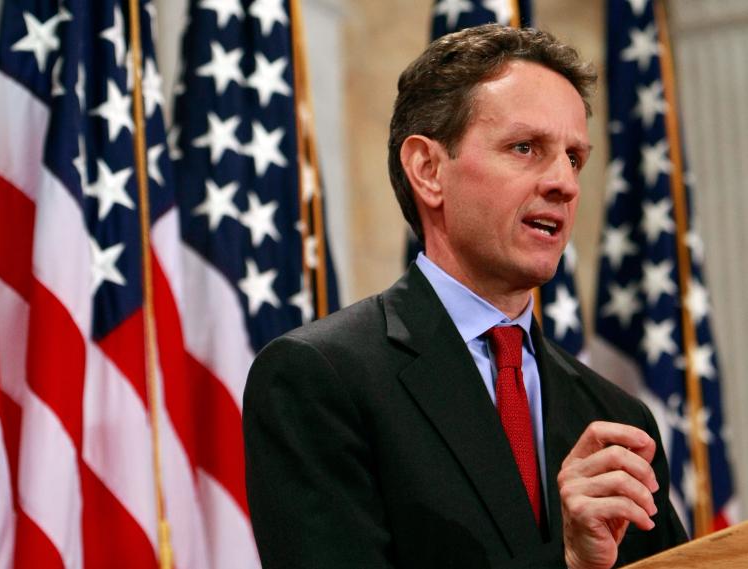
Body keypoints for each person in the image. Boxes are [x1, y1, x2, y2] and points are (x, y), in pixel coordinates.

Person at [243, 24, 687, 569]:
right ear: (428, 170)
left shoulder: (617, 418)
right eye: (526, 148)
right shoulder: (320, 379)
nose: (565, 184)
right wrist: (567, 560)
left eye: (574, 157)